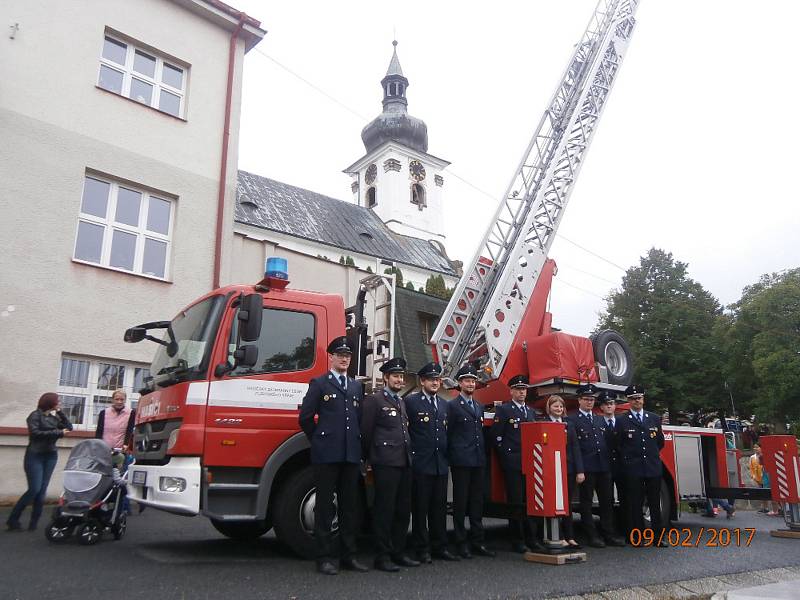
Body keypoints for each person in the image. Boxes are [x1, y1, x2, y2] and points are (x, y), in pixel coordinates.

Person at [298, 336, 369, 575]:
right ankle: (325, 557)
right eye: (340, 355)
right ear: (331, 357)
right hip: (327, 454)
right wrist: (318, 440)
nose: (345, 359)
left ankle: (349, 556)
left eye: (348, 355)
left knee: (349, 507)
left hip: (350, 454)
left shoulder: (357, 386)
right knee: (325, 507)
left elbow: (358, 421)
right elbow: (306, 417)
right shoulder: (319, 383)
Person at [361, 356, 419, 572]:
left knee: (403, 511)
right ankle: (382, 556)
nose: (399, 379)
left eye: (401, 376)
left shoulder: (401, 402)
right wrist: (370, 459)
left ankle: (398, 552)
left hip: (404, 462)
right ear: (385, 378)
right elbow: (366, 434)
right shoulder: (374, 401)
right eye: (395, 376)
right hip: (385, 463)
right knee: (384, 510)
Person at [405, 362, 459, 563]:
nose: (435, 383)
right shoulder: (411, 403)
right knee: (420, 509)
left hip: (440, 464)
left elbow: (449, 433)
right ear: (422, 381)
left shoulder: (445, 405)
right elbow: (407, 432)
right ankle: (422, 548)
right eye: (431, 379)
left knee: (439, 508)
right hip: (421, 464)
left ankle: (440, 546)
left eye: (437, 380)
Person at [491, 374, 545, 553]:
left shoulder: (530, 412)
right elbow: (497, 437)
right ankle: (518, 539)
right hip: (513, 463)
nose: (522, 392)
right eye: (518, 389)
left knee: (531, 502)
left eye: (524, 389)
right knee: (515, 503)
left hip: (530, 463)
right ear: (512, 391)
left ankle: (532, 538)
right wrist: (507, 457)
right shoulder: (504, 410)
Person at [6, 392, 73, 531]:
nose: (59, 403)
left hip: (50, 456)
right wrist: (58, 433)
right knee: (34, 489)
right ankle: (13, 519)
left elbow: (69, 427)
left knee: (42, 491)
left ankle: (33, 523)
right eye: (57, 401)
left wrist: (60, 413)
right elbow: (36, 433)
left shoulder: (54, 419)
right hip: (35, 455)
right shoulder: (34, 416)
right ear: (50, 402)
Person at [448, 363, 495, 558]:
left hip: (477, 460)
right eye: (467, 380)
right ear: (459, 383)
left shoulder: (478, 406)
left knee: (477, 503)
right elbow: (448, 433)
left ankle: (478, 541)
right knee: (461, 504)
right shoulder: (452, 406)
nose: (471, 383)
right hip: (461, 460)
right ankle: (461, 543)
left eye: (473, 380)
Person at [569, 384, 625, 548]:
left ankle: (609, 534)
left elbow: (609, 444)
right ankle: (592, 535)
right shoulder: (572, 419)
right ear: (579, 400)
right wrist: (580, 469)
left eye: (592, 399)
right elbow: (574, 447)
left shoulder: (600, 419)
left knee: (607, 502)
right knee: (586, 503)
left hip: (603, 466)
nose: (589, 402)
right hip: (587, 467)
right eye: (586, 399)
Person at [615, 384, 667, 547]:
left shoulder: (653, 418)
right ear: (628, 401)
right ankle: (638, 537)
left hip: (652, 467)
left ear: (643, 399)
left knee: (654, 504)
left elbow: (659, 442)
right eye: (632, 399)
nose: (636, 401)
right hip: (634, 469)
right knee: (635, 504)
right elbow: (619, 445)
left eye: (638, 398)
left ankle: (658, 537)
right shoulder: (622, 421)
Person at [544, 394, 584, 549]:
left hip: (568, 469)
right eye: (555, 406)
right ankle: (557, 535)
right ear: (549, 408)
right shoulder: (545, 423)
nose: (559, 409)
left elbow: (575, 448)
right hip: (551, 470)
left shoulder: (569, 424)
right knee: (553, 504)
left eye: (561, 406)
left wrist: (580, 471)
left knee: (567, 504)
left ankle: (570, 536)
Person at [598, 391, 626, 536]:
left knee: (625, 497)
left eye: (611, 404)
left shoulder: (622, 422)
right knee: (607, 500)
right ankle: (608, 531)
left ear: (615, 406)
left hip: (621, 466)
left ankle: (625, 528)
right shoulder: (598, 422)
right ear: (601, 407)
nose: (609, 406)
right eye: (606, 404)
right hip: (605, 466)